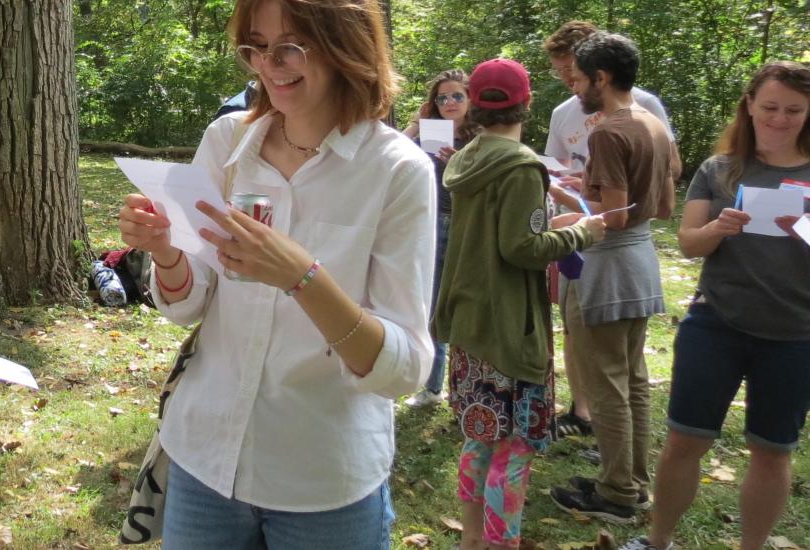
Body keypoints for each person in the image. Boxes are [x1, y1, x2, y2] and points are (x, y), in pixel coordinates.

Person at [116, 0, 435, 546]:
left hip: (322, 479)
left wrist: (303, 278)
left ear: (346, 46)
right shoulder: (227, 143)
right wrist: (167, 252)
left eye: (291, 44)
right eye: (256, 47)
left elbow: (404, 369)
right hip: (204, 458)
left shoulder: (398, 171)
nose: (271, 63)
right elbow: (191, 303)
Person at [619, 61, 810, 550]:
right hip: (716, 325)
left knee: (771, 451)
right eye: (769, 107)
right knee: (685, 440)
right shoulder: (720, 169)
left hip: (795, 334)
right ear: (749, 106)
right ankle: (658, 540)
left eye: (793, 110)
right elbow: (687, 244)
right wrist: (718, 229)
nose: (780, 119)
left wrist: (803, 229)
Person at [434, 58, 606, 550]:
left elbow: (501, 236)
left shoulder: (465, 159)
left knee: (477, 437)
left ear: (474, 108)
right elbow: (523, 249)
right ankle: (500, 544)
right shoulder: (521, 167)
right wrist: (581, 232)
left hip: (469, 321)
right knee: (513, 449)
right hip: (512, 330)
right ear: (526, 104)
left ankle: (471, 540)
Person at [547, 31, 680, 525]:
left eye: (580, 77)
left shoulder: (606, 130)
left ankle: (618, 493)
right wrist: (591, 184)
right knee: (633, 380)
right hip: (642, 261)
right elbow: (660, 202)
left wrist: (559, 195)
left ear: (601, 78)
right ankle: (630, 480)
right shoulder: (652, 122)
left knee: (605, 384)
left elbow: (613, 215)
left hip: (606, 266)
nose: (575, 86)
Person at [402, 68, 477, 409]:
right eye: (441, 97)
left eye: (457, 96)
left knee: (462, 305)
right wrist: (417, 123)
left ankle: (468, 387)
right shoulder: (431, 132)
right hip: (430, 222)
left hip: (466, 224)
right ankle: (433, 388)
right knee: (430, 304)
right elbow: (396, 154)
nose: (449, 102)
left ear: (471, 99)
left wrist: (459, 163)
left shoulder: (483, 137)